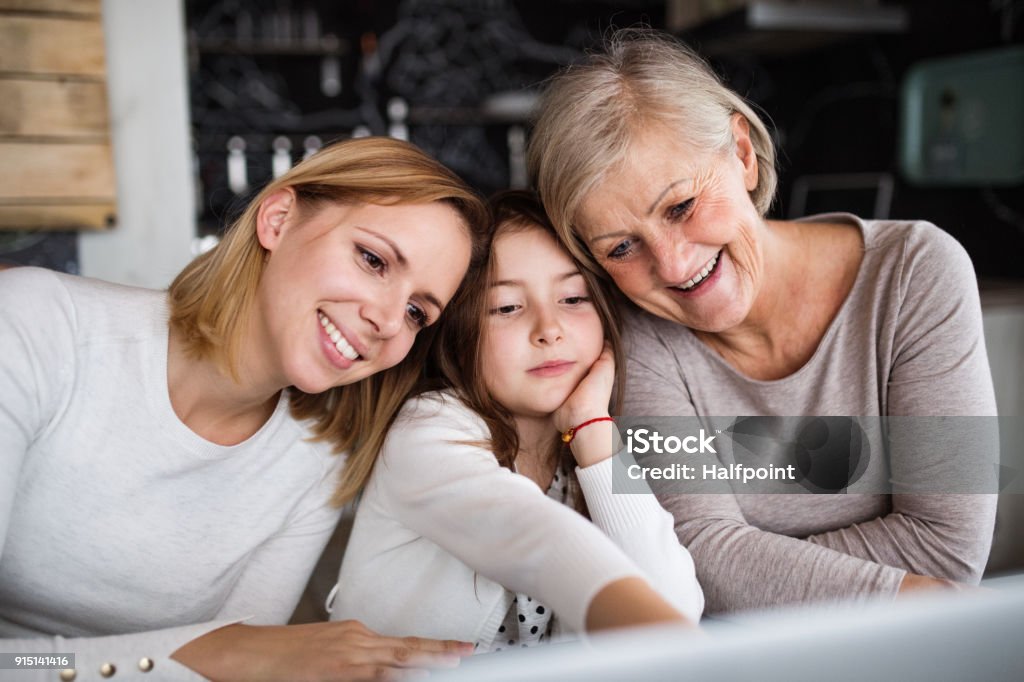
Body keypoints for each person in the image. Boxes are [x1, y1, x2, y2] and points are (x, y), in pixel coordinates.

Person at [527, 29, 998, 614]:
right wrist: (715, 565)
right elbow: (694, 557)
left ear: (743, 154)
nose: (673, 264)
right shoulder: (640, 335)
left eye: (681, 206)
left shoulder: (915, 273)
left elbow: (949, 549)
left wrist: (741, 567)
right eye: (622, 247)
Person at [0, 137, 491, 680]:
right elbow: (225, 662)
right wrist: (203, 656)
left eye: (418, 311)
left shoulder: (319, 454)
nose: (388, 320)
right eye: (373, 260)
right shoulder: (35, 325)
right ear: (278, 219)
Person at [329, 191, 703, 652]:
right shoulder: (425, 431)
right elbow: (528, 535)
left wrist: (590, 429)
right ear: (460, 331)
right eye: (507, 307)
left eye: (572, 297)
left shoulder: (590, 452)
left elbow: (675, 610)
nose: (549, 328)